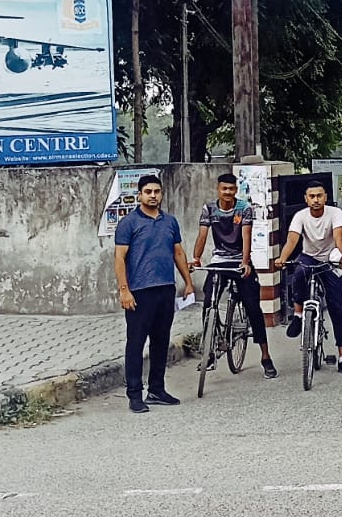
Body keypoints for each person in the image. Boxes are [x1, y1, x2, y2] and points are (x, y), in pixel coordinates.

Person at [113, 174, 195, 413]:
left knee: (161, 341)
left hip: (165, 289)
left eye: (156, 191)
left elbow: (178, 252)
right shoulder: (129, 223)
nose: (153, 196)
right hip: (139, 292)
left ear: (161, 194)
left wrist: (188, 282)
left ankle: (157, 390)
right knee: (136, 343)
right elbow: (119, 258)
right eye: (148, 192)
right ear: (139, 195)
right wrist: (124, 291)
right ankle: (135, 395)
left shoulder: (170, 221)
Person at [191, 173, 276, 380]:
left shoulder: (244, 208)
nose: (227, 192)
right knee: (208, 303)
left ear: (235, 190)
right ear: (218, 189)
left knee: (253, 308)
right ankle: (210, 350)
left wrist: (245, 262)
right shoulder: (209, 209)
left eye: (231, 189)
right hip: (219, 261)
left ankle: (265, 357)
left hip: (240, 261)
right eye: (224, 188)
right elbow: (202, 235)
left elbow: (246, 236)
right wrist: (196, 258)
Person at [274, 183, 342, 376]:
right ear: (306, 198)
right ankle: (298, 314)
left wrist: (341, 256)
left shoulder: (335, 213)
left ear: (325, 197)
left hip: (329, 259)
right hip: (308, 257)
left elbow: (338, 237)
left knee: (337, 308)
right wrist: (282, 258)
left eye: (319, 195)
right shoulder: (300, 216)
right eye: (312, 196)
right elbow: (292, 240)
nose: (316, 200)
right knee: (298, 274)